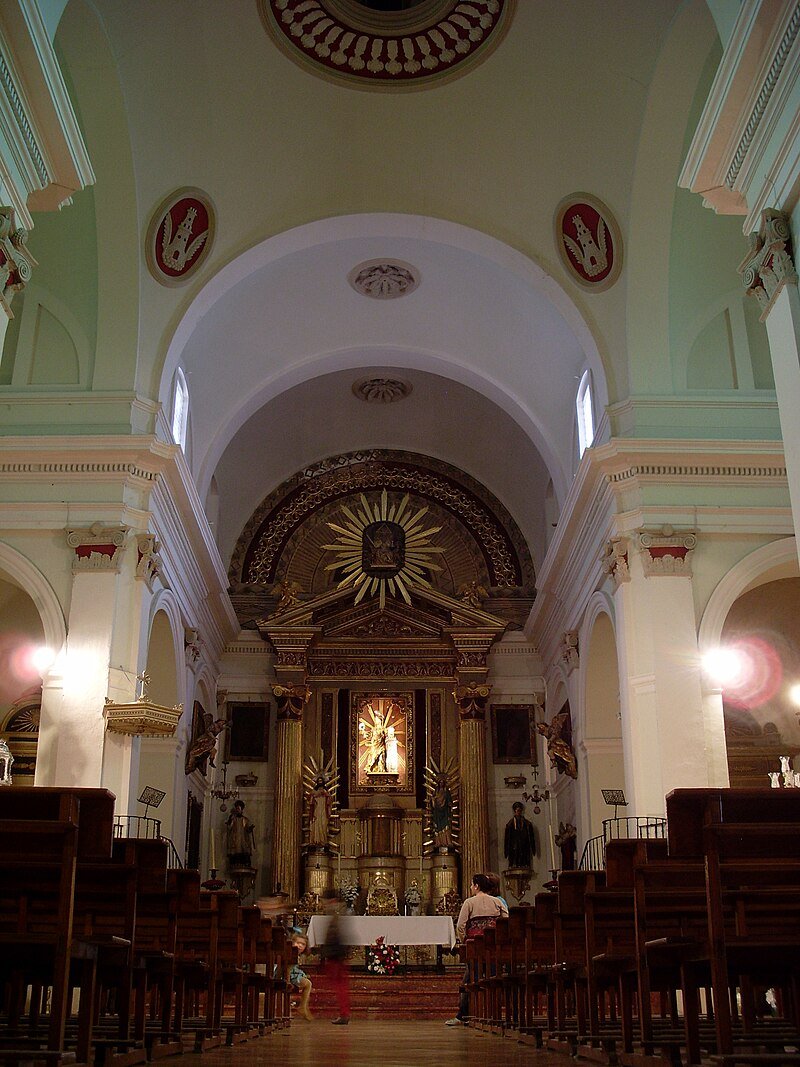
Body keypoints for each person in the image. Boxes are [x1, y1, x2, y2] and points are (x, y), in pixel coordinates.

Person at [445, 873, 508, 1027]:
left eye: (472, 885)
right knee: (494, 978)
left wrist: (465, 940)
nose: (471, 887)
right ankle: (495, 1014)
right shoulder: (497, 901)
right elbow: (506, 921)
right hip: (493, 947)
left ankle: (463, 1015)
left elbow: (460, 925)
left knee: (469, 981)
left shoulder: (469, 902)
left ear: (477, 886)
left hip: (475, 947)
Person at [320, 891, 351, 1025]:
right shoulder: (339, 913)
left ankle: (344, 1013)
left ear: (332, 901)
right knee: (339, 986)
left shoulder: (336, 914)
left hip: (335, 955)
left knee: (339, 987)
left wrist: (327, 954)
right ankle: (343, 1013)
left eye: (325, 901)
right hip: (337, 954)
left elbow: (334, 935)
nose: (324, 904)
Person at [503, 801, 537, 869]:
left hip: (524, 843)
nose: (518, 812)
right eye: (517, 811)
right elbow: (507, 838)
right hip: (514, 844)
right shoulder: (510, 824)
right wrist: (506, 852)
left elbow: (531, 837)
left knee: (523, 853)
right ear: (515, 811)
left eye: (519, 811)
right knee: (515, 852)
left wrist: (533, 849)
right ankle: (514, 864)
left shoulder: (527, 824)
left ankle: (524, 864)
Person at [289, 933, 313, 1021]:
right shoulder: (291, 953)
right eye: (297, 942)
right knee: (308, 984)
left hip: (292, 974)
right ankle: (303, 1006)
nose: (300, 945)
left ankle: (303, 1006)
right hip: (288, 975)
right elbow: (289, 968)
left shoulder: (297, 955)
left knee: (308, 983)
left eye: (303, 944)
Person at [225, 799, 255, 866]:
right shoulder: (233, 819)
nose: (237, 810)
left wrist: (250, 829)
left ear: (242, 809)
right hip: (235, 840)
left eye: (239, 808)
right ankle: (235, 863)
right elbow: (229, 827)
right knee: (235, 853)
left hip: (243, 840)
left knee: (244, 852)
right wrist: (230, 820)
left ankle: (245, 863)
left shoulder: (245, 819)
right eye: (237, 808)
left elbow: (247, 830)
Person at [430, 774, 453, 849]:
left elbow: (449, 801)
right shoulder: (436, 792)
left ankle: (447, 842)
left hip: (445, 812)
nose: (441, 783)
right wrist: (433, 800)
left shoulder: (446, 792)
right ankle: (438, 842)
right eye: (440, 782)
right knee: (438, 828)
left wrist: (449, 804)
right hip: (437, 812)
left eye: (443, 782)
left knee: (446, 827)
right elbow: (433, 801)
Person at [308, 775, 331, 847]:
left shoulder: (325, 791)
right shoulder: (314, 791)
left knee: (323, 825)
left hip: (324, 810)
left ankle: (323, 840)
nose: (320, 782)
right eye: (319, 781)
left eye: (321, 781)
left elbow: (329, 800)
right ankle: (316, 841)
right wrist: (314, 796)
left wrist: (325, 794)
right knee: (316, 824)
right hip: (317, 810)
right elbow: (310, 801)